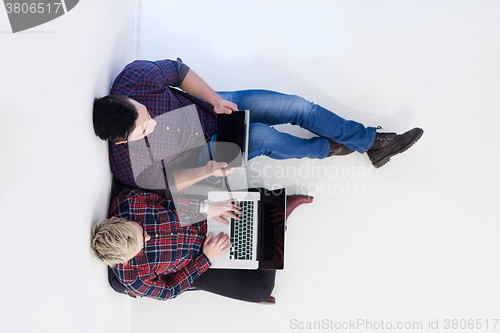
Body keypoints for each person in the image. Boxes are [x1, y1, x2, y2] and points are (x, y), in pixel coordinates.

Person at [93, 58, 423, 192]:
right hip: (203, 152)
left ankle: (369, 143)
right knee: (264, 137)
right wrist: (208, 170)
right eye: (144, 130)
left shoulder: (135, 78)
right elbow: (171, 181)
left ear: (127, 99)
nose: (150, 121)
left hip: (208, 107)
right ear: (123, 142)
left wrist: (213, 98)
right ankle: (329, 148)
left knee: (295, 106)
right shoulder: (127, 167)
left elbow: (179, 73)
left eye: (144, 113)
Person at [90, 189, 311, 302]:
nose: (147, 238)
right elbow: (169, 291)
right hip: (196, 262)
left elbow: (165, 200)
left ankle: (276, 218)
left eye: (141, 231)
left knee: (257, 198)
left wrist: (206, 207)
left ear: (121, 220)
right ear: (126, 258)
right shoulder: (132, 277)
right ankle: (277, 225)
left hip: (200, 219)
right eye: (142, 245)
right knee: (260, 290)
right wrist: (205, 259)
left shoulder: (127, 202)